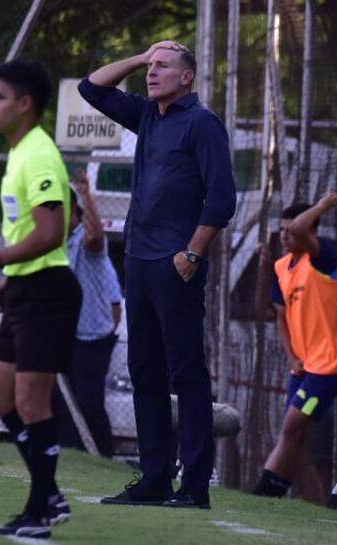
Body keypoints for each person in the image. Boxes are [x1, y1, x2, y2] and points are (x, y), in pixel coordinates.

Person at [78, 41, 236, 509]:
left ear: (186, 77)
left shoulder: (202, 123)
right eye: (151, 66)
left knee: (185, 373)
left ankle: (194, 486)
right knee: (144, 371)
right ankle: (153, 479)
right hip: (140, 264)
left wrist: (192, 252)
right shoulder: (148, 115)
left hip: (177, 265)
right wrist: (139, 56)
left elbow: (221, 198)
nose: (152, 72)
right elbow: (92, 87)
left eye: (163, 66)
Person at [0, 60, 81, 539]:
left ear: (25, 103)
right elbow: (40, 227)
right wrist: (10, 272)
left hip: (48, 291)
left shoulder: (38, 153)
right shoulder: (19, 152)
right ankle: (48, 492)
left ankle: (40, 511)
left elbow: (53, 232)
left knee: (33, 400)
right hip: (25, 288)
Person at [251, 195, 337, 499]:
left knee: (292, 426)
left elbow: (306, 229)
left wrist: (322, 206)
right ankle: (296, 494)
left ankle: (264, 492)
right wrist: (293, 357)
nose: (284, 236)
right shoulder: (282, 267)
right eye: (281, 230)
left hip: (330, 364)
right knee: (296, 435)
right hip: (304, 366)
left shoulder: (322, 256)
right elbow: (281, 317)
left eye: (291, 230)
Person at [54, 169, 121, 457]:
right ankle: (70, 453)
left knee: (88, 400)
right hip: (63, 334)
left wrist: (86, 194)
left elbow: (95, 237)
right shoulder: (52, 241)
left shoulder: (85, 240)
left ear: (74, 213)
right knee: (62, 399)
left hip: (91, 334)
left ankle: (101, 455)